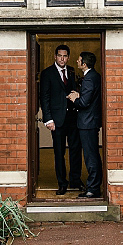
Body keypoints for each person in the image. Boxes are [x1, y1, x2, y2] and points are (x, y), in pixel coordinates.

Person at [39, 44, 83, 195]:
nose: (62, 59)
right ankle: (62, 183)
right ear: (55, 57)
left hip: (72, 119)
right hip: (57, 121)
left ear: (68, 57)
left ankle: (75, 181)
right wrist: (48, 119)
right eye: (59, 56)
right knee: (59, 153)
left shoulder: (71, 71)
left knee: (76, 151)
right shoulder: (47, 73)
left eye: (65, 56)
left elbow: (73, 91)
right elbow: (44, 98)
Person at [68, 51, 102, 198]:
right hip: (91, 121)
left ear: (84, 63)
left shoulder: (89, 78)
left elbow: (84, 103)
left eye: (79, 60)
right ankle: (94, 186)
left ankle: (93, 188)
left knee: (90, 156)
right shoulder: (95, 76)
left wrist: (75, 98)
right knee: (92, 154)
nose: (76, 61)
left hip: (87, 123)